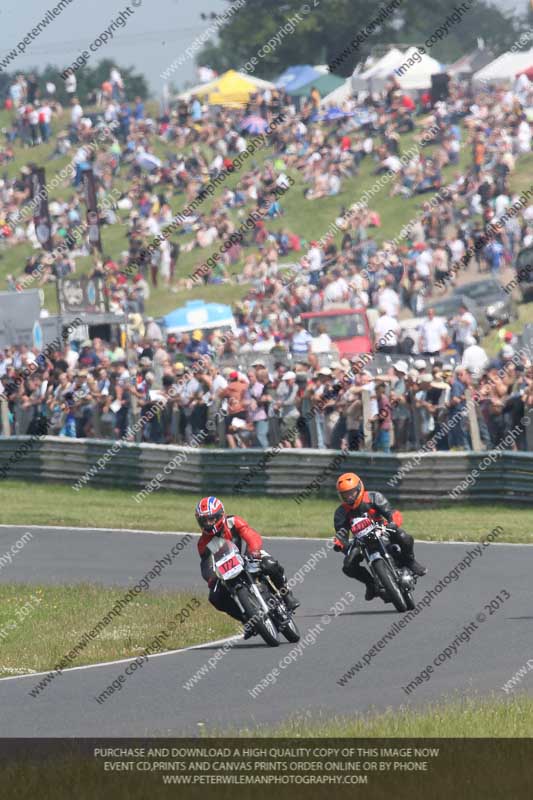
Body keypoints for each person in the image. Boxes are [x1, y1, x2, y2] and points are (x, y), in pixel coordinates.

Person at [196, 497, 299, 638]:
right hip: (226, 569)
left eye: (211, 519)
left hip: (248, 555)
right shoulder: (203, 542)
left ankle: (286, 595)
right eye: (204, 521)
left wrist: (254, 550)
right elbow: (205, 564)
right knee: (215, 597)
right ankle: (246, 620)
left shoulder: (233, 522)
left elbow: (251, 535)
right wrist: (211, 578)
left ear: (220, 515)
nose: (208, 523)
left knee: (270, 564)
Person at [332, 473, 427, 600]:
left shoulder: (374, 497)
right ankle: (370, 584)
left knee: (404, 536)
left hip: (382, 530)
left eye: (351, 492)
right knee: (348, 565)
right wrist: (340, 543)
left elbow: (390, 512)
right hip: (361, 540)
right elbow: (341, 533)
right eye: (345, 494)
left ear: (359, 488)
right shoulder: (340, 512)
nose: (349, 497)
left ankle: (410, 561)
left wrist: (393, 522)